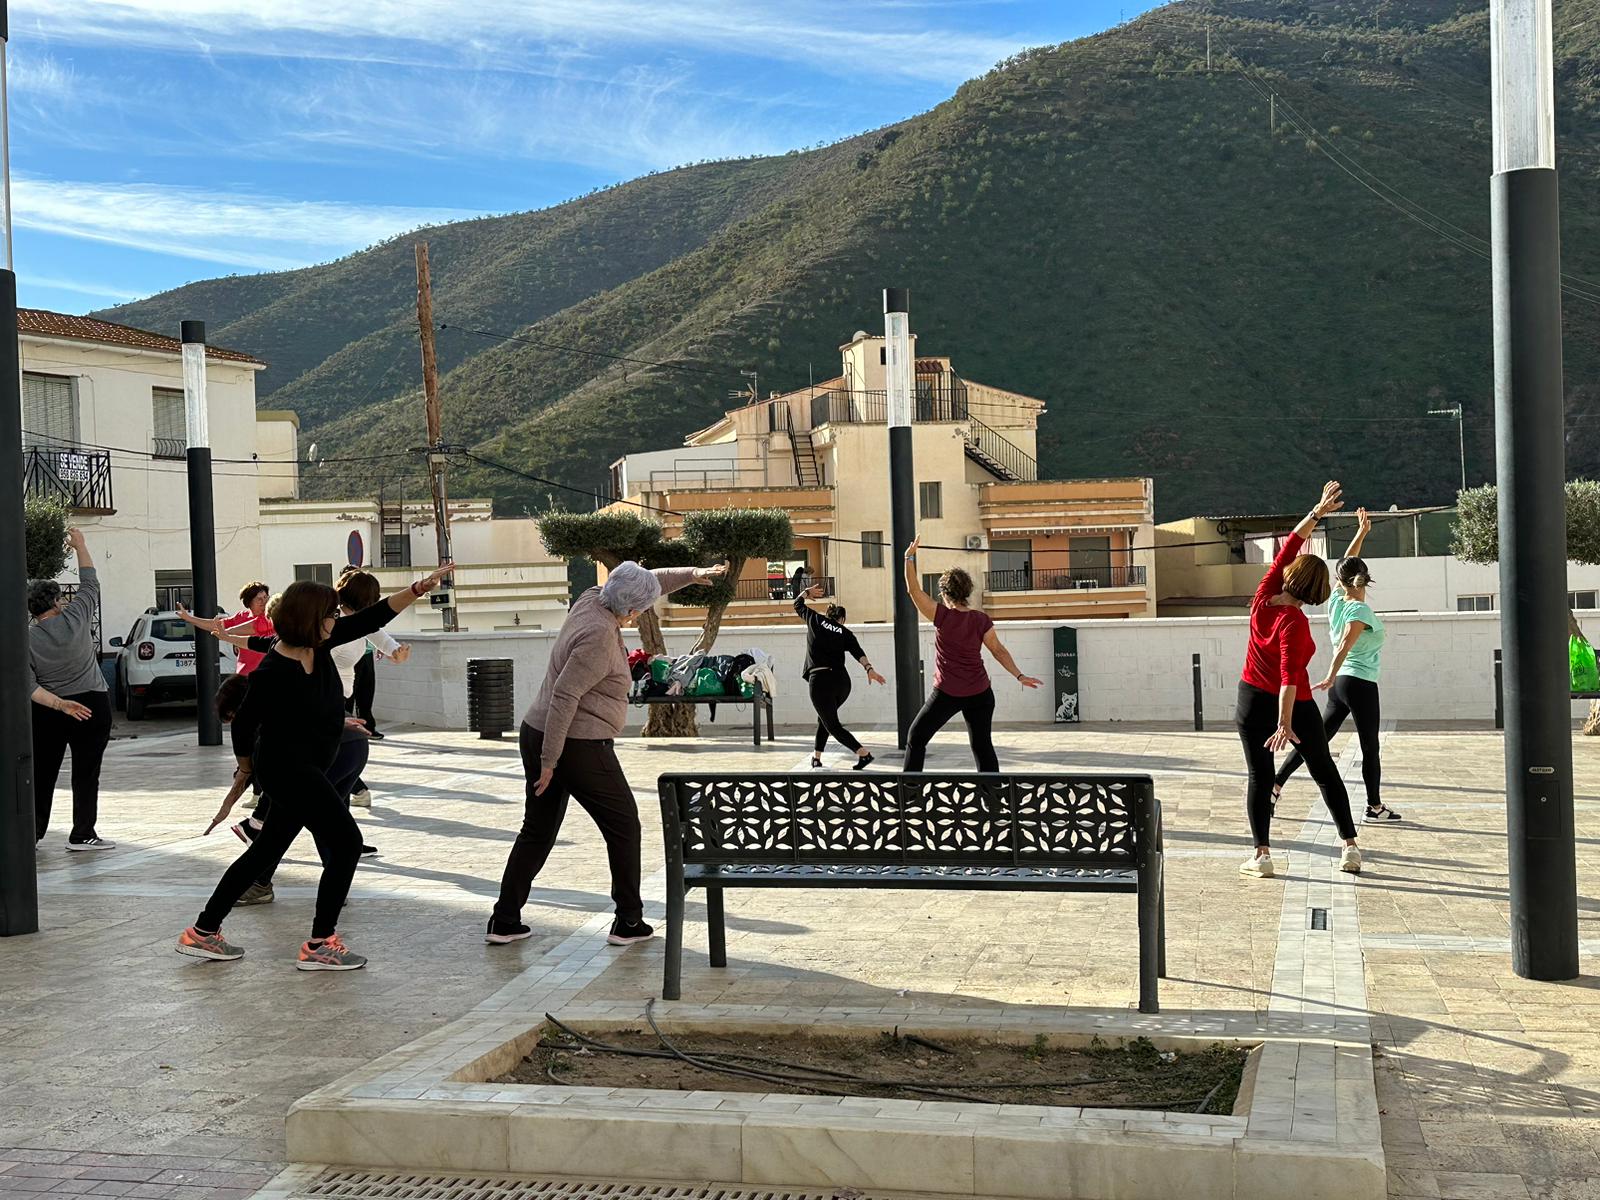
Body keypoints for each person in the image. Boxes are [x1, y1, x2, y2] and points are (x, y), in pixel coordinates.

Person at [175, 561, 452, 970]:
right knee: (347, 844)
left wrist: (418, 587)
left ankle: (201, 931)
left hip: (306, 766)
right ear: (311, 620)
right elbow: (245, 725)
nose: (335, 619)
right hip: (287, 770)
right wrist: (245, 771)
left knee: (263, 852)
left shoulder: (319, 644)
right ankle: (320, 942)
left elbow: (375, 617)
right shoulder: (273, 670)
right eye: (329, 614)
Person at [487, 559, 727, 947]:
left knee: (538, 831)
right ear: (631, 612)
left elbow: (645, 582)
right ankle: (628, 922)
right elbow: (566, 695)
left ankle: (504, 921)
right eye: (641, 610)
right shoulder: (599, 636)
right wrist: (550, 762)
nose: (641, 612)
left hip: (539, 731)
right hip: (574, 744)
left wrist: (692, 574)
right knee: (624, 826)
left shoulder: (593, 597)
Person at [1236, 482, 1362, 879]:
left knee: (1259, 775)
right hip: (1295, 706)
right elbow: (1290, 678)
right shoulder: (1297, 625)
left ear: (1290, 577)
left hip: (1251, 700)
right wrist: (1286, 723)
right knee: (1324, 771)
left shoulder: (1263, 598)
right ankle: (1350, 847)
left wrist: (1317, 511)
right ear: (1318, 592)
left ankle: (1262, 855)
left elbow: (1290, 545)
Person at [1273, 508, 1401, 823]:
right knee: (1370, 747)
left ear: (1341, 580)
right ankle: (1374, 807)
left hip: (1342, 685)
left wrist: (1361, 533)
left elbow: (1347, 562)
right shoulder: (1359, 611)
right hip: (1358, 683)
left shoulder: (1336, 600)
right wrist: (1329, 675)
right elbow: (1345, 643)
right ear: (1366, 579)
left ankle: (1275, 784)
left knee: (1317, 740)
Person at [901, 536, 1042, 772]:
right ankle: (994, 801)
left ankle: (910, 795)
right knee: (982, 746)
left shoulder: (942, 616)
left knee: (916, 738)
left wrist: (909, 557)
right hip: (980, 694)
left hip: (947, 693)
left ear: (944, 593)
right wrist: (1019, 676)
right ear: (966, 592)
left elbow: (913, 590)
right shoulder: (980, 620)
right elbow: (998, 650)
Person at [27, 528, 114, 850]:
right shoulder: (76, 617)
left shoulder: (27, 638)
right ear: (55, 602)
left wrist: (59, 704)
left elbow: (28, 685)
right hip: (91, 705)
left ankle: (33, 834)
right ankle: (82, 834)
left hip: (48, 710)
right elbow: (90, 582)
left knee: (43, 773)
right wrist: (81, 545)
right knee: (86, 773)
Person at [333, 568, 410, 803]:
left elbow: (378, 635)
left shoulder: (358, 621)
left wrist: (396, 651)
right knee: (342, 759)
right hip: (322, 701)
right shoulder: (334, 622)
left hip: (340, 699)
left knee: (341, 762)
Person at [793, 583, 885, 769]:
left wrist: (806, 593)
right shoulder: (845, 632)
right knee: (824, 719)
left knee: (832, 724)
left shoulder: (816, 620)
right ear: (842, 619)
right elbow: (858, 653)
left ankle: (863, 754)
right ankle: (816, 758)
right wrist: (869, 669)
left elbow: (797, 604)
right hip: (842, 683)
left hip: (820, 680)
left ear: (829, 615)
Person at [223, 582, 274, 675]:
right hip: (244, 675)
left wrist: (226, 633)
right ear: (249, 602)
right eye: (259, 599)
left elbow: (254, 626)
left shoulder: (271, 618)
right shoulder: (241, 616)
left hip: (266, 676)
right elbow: (216, 624)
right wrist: (190, 618)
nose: (264, 601)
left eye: (266, 597)